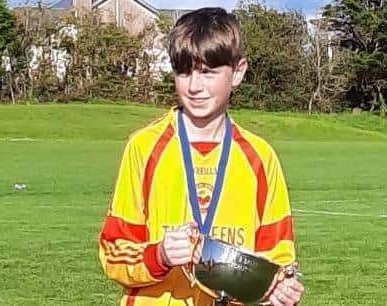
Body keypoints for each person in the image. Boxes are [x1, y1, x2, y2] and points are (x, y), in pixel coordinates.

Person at [99, 7, 304, 306]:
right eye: (184, 72)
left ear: (238, 72)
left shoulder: (260, 158)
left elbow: (278, 257)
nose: (194, 86)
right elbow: (113, 251)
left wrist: (280, 287)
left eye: (208, 72)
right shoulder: (144, 148)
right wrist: (160, 254)